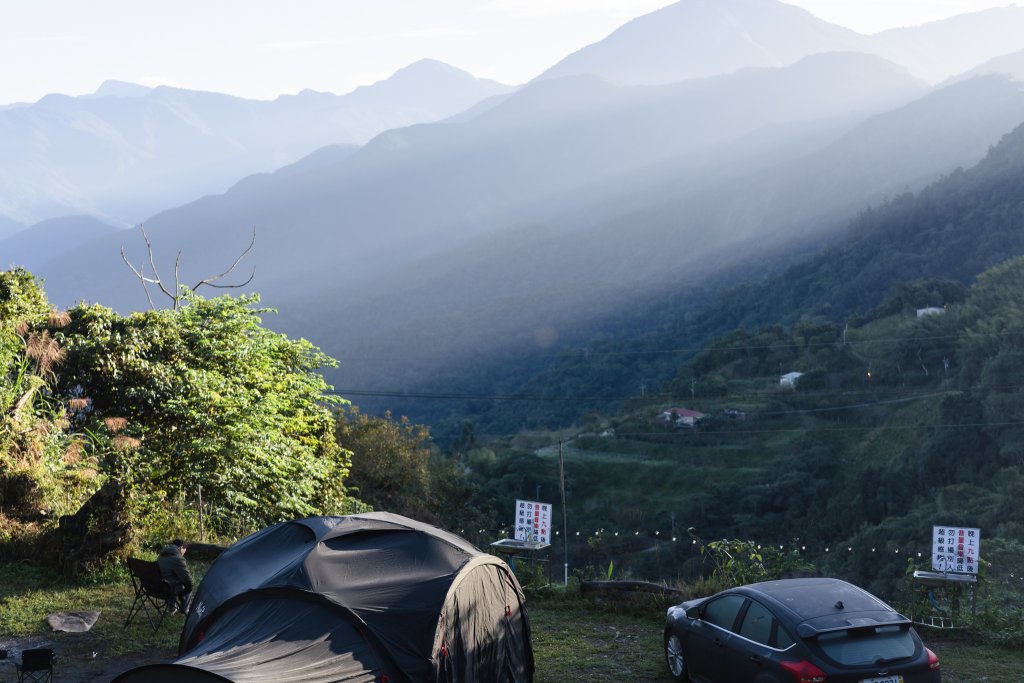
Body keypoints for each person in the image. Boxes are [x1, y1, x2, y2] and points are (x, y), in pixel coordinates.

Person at [157, 539, 194, 614]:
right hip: (168, 589)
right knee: (187, 584)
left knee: (172, 579)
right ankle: (184, 609)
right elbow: (188, 580)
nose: (184, 552)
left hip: (156, 586)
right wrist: (184, 592)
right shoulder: (178, 559)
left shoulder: (161, 554)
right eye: (185, 549)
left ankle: (172, 607)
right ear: (181, 548)